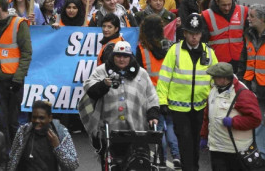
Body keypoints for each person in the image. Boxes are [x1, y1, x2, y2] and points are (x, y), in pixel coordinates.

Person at [79, 41, 160, 170]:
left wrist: (153, 115)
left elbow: (151, 96)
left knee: (137, 165)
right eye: (118, 56)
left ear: (131, 57)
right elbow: (90, 90)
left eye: (125, 56)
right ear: (113, 56)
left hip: (136, 130)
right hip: (108, 130)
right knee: (112, 165)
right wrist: (103, 85)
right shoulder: (102, 71)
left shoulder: (141, 74)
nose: (121, 59)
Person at [158, 13, 218, 171]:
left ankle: (193, 167)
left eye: (197, 33)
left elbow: (215, 80)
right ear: (184, 33)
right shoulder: (175, 51)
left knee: (195, 142)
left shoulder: (209, 53)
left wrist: (215, 103)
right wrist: (162, 101)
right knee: (185, 142)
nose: (194, 37)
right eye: (191, 33)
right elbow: (164, 77)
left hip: (200, 107)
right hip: (178, 107)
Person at [137, 14, 181, 167]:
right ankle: (176, 156)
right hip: (169, 91)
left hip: (151, 94)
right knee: (171, 126)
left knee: (158, 128)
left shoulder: (141, 48)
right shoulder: (169, 45)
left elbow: (139, 73)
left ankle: (161, 159)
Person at [0, 0, 32, 142]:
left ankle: (14, 157)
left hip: (13, 80)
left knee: (12, 122)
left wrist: (18, 79)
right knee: (0, 122)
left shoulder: (19, 24)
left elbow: (26, 53)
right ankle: (3, 157)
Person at [200, 62, 261, 171]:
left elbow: (255, 119)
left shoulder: (242, 93)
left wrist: (234, 122)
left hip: (235, 151)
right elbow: (207, 116)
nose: (212, 79)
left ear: (224, 79)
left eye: (215, 77)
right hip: (216, 148)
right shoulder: (213, 90)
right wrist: (204, 136)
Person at [8, 100, 80, 171]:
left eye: (41, 118)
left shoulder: (61, 132)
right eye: (34, 117)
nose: (37, 121)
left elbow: (73, 165)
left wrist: (58, 147)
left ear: (50, 118)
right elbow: (12, 159)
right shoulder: (23, 131)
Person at [203, 0, 248, 74]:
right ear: (217, 2)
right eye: (224, 5)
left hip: (239, 61)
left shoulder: (243, 11)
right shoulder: (206, 15)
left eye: (229, 4)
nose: (227, 8)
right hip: (218, 61)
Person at [242, 4, 265, 152]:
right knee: (258, 120)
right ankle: (260, 153)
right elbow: (245, 58)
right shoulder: (248, 34)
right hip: (253, 85)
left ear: (262, 19)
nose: (248, 19)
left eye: (252, 16)